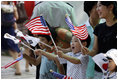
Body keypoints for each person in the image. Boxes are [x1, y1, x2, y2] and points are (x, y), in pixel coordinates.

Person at [82, 1, 117, 79]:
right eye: (96, 7)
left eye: (100, 6)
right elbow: (95, 50)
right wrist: (88, 52)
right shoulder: (99, 28)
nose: (97, 9)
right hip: (99, 72)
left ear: (110, 7)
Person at [1, 1, 21, 75]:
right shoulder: (12, 5)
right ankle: (17, 66)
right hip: (10, 28)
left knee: (11, 48)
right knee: (12, 47)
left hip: (2, 28)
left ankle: (18, 69)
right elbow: (17, 17)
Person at [83, 1, 100, 79]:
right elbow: (73, 50)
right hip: (86, 70)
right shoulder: (81, 29)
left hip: (102, 70)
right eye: (97, 7)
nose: (99, 9)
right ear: (89, 10)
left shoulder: (107, 26)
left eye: (101, 6)